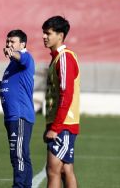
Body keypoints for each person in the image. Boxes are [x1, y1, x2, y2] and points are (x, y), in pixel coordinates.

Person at [0, 30, 35, 188]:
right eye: (7, 42)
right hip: (12, 117)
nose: (9, 45)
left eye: (12, 42)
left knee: (18, 156)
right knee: (21, 155)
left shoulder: (25, 57)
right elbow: (8, 84)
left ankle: (19, 186)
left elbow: (21, 57)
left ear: (22, 44)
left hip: (20, 116)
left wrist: (12, 53)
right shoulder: (12, 64)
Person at [42, 16, 80, 188]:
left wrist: (55, 127)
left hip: (63, 124)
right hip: (60, 123)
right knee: (65, 169)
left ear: (60, 35)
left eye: (48, 33)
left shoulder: (64, 58)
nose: (44, 36)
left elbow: (66, 94)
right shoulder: (56, 58)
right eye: (44, 33)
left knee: (53, 170)